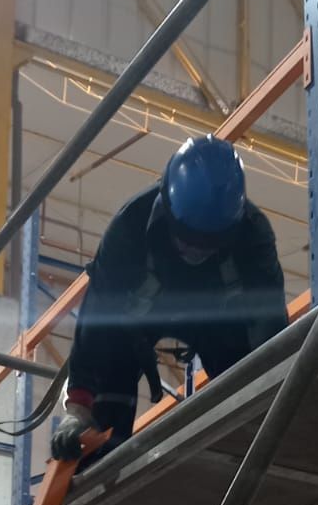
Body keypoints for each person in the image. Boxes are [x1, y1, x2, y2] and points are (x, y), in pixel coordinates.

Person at [50, 134, 289, 461]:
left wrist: (275, 387)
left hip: (218, 323)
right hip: (136, 323)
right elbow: (97, 322)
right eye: (188, 239)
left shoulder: (254, 235)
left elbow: (269, 325)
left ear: (231, 230)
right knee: (105, 406)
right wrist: (78, 408)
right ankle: (94, 475)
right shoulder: (130, 227)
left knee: (247, 390)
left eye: (208, 244)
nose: (195, 251)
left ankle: (247, 464)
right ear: (166, 210)